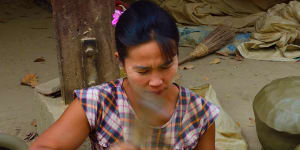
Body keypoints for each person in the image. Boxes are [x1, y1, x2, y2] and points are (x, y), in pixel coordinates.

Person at [29, 1, 219, 150]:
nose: (156, 82)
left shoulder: (197, 113)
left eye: (166, 65)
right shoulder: (99, 103)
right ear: (120, 62)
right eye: (143, 70)